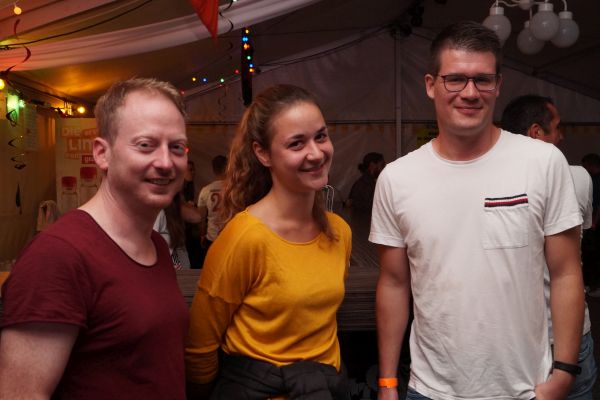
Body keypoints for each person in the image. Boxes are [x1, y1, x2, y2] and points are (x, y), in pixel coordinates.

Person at [370, 21, 584, 400]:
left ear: (498, 85)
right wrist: (387, 382)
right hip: (430, 390)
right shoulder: (397, 179)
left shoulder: (542, 162)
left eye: (482, 80)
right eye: (455, 79)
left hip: (524, 389)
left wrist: (564, 372)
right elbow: (393, 283)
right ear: (430, 85)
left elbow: (565, 272)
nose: (469, 93)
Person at [0, 78, 190, 399]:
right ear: (102, 153)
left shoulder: (154, 244)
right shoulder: (59, 255)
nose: (165, 162)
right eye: (146, 145)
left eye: (177, 147)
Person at [185, 84, 352, 399]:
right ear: (262, 153)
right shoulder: (244, 238)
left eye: (321, 136)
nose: (316, 153)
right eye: (296, 143)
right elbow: (200, 348)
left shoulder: (339, 232)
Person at [501, 94, 597, 400]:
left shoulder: (487, 180)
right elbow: (581, 233)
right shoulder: (578, 177)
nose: (562, 136)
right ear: (536, 132)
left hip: (509, 338)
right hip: (567, 333)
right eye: (556, 128)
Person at [196, 154, 228, 264]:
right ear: (227, 168)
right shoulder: (234, 189)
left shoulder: (205, 190)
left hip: (212, 237)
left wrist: (202, 235)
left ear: (213, 170)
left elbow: (201, 218)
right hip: (230, 236)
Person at [182, 160, 203, 268]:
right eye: (190, 170)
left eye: (194, 169)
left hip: (189, 229)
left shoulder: (189, 187)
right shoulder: (177, 189)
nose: (193, 172)